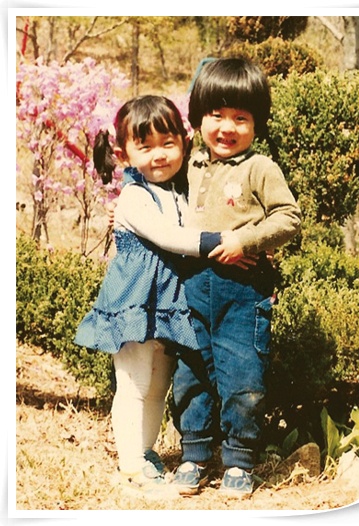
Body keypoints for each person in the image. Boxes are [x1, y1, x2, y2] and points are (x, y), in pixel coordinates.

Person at [74, 95, 224, 498]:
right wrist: (221, 241)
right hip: (136, 299)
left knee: (159, 384)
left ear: (184, 142)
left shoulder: (180, 190)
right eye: (146, 146)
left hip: (170, 300)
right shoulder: (134, 196)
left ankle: (144, 452)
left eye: (168, 143)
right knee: (134, 383)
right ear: (125, 153)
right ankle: (129, 463)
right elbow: (169, 236)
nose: (159, 154)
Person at [170, 57, 302, 498]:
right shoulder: (190, 164)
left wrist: (245, 240)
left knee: (243, 377)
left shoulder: (259, 167)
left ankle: (240, 460)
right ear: (198, 118)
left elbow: (288, 217)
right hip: (191, 287)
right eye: (216, 115)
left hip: (243, 293)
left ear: (257, 124)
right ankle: (193, 454)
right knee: (190, 374)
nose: (227, 127)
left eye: (240, 118)